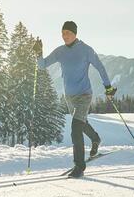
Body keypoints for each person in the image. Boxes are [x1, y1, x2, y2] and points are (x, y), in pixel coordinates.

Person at [34, 20, 116, 178]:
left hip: (84, 95)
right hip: (69, 97)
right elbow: (42, 65)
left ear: (75, 33)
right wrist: (38, 53)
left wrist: (108, 87)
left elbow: (100, 67)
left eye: (68, 33)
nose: (64, 36)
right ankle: (96, 138)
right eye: (63, 33)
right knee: (81, 123)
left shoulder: (86, 50)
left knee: (76, 127)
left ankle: (79, 166)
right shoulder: (60, 51)